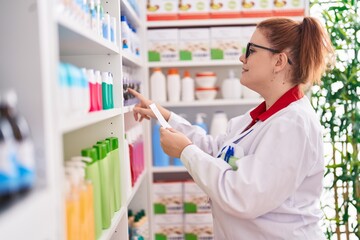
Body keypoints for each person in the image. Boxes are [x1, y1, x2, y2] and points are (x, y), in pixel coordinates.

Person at [128, 16, 334, 239]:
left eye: (251, 50)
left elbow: (243, 195)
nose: (241, 57)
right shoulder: (261, 117)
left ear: (279, 61)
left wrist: (185, 151)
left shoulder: (294, 125)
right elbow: (216, 149)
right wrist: (164, 115)